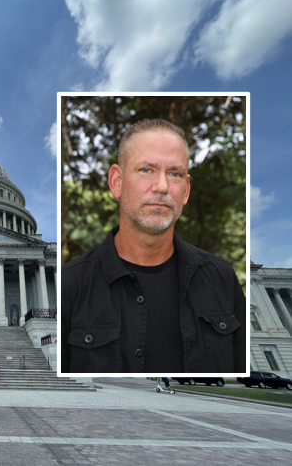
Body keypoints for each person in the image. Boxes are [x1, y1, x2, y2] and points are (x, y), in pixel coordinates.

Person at [62, 119, 245, 374]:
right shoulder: (69, 284)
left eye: (175, 174)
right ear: (116, 182)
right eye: (146, 170)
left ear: (186, 191)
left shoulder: (222, 278)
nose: (162, 186)